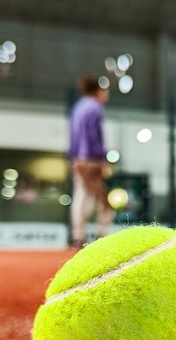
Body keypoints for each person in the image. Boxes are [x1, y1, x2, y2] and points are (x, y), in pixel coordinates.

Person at [68, 75, 114, 249]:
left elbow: (72, 136)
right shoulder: (95, 108)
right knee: (104, 199)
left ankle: (78, 237)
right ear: (98, 91)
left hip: (78, 159)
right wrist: (101, 160)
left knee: (81, 196)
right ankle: (102, 235)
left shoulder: (78, 107)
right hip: (91, 159)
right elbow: (95, 137)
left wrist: (73, 157)